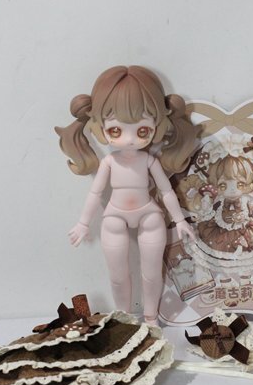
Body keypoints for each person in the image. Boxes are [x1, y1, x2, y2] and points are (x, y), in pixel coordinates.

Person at [56, 65, 199, 324]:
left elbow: (166, 191)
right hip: (114, 217)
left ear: (157, 125)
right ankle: (123, 318)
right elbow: (95, 193)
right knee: (118, 276)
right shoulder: (109, 162)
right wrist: (83, 223)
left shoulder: (148, 161)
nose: (130, 139)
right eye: (116, 130)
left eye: (142, 131)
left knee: (152, 273)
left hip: (149, 215)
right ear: (100, 126)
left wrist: (180, 220)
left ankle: (151, 316)